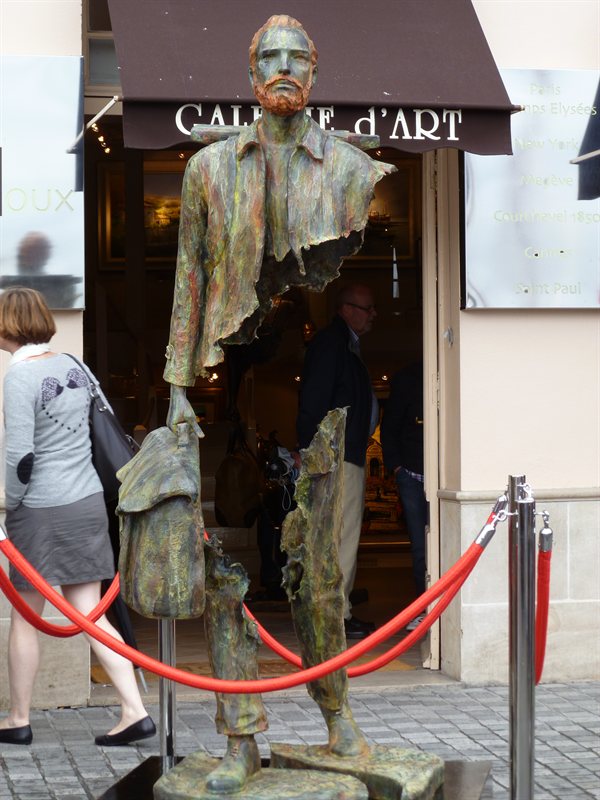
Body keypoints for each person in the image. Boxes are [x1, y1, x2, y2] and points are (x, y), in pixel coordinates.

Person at [159, 15, 394, 780]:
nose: (284, 67)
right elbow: (189, 280)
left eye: (298, 56)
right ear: (251, 71)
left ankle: (339, 715)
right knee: (229, 575)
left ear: (316, 71)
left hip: (321, 418)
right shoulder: (209, 171)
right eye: (271, 56)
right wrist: (176, 388)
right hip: (233, 395)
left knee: (321, 573)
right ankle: (238, 737)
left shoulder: (354, 173)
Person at [0, 287, 155, 747]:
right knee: (91, 613)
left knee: (27, 617)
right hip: (87, 501)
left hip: (41, 512)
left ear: (8, 325)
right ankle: (134, 709)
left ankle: (18, 719)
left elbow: (20, 458)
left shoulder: (19, 377)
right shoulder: (75, 366)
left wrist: (10, 503)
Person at [296, 283, 379, 639]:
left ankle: (333, 611)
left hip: (341, 454)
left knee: (336, 535)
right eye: (367, 308)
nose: (373, 315)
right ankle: (334, 615)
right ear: (346, 309)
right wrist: (309, 451)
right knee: (340, 536)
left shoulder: (342, 344)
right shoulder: (333, 345)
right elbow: (314, 399)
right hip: (337, 457)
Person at [380, 361, 428, 630]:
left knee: (445, 545)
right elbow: (391, 426)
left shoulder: (455, 369)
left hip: (445, 476)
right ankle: (424, 606)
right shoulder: (406, 379)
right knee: (421, 546)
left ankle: (446, 607)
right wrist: (398, 469)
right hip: (412, 474)